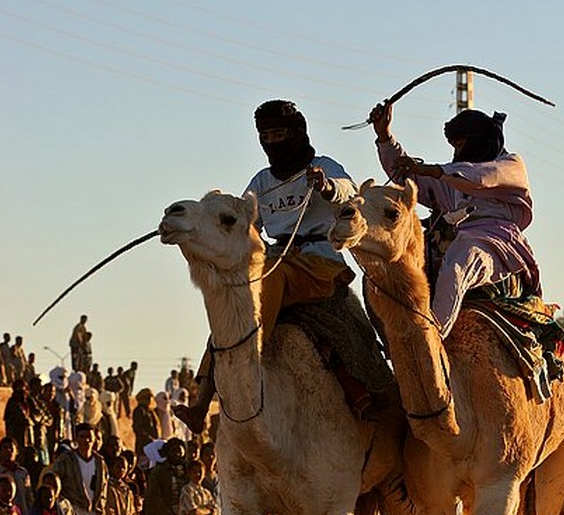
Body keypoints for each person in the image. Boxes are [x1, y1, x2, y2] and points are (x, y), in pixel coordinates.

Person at [175, 99, 358, 433]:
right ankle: (201, 402)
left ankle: (251, 358)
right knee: (231, 307)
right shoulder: (261, 182)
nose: (272, 141)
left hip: (318, 263)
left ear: (296, 132)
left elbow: (349, 194)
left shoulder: (323, 166)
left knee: (265, 284)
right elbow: (245, 218)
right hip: (276, 257)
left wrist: (327, 186)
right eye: (266, 135)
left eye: (278, 133)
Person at [369, 102, 541, 338]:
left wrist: (434, 170)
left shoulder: (510, 165)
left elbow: (481, 177)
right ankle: (395, 347)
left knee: (459, 262)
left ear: (478, 141)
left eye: (460, 145)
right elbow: (409, 178)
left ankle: (431, 339)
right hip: (457, 238)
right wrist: (385, 137)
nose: (457, 152)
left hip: (496, 242)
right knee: (387, 268)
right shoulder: (453, 180)